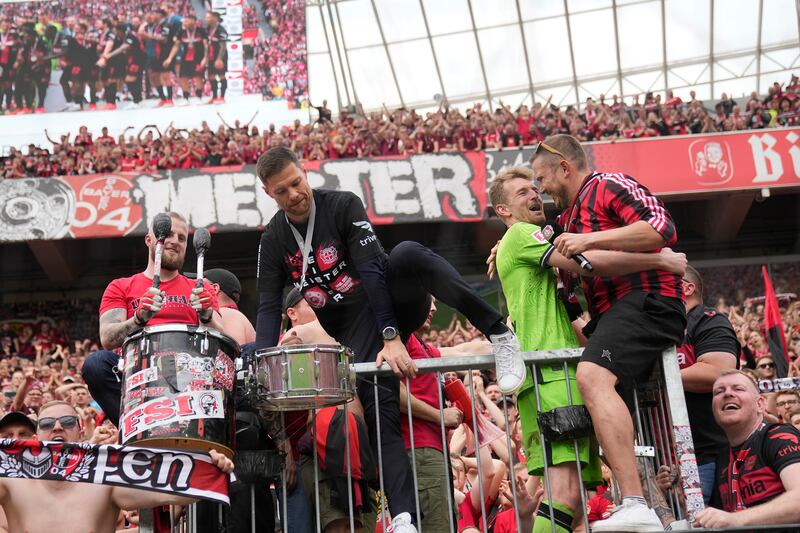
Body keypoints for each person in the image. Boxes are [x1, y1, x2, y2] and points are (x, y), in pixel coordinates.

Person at [254, 146, 524, 532]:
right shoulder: (273, 239)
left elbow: (370, 270)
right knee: (379, 403)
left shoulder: (342, 205)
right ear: (269, 194)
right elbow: (267, 306)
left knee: (407, 253)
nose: (294, 195)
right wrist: (263, 363)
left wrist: (391, 335)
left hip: (391, 302)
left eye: (297, 183)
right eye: (282, 191)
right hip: (352, 331)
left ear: (305, 173)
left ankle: (498, 330)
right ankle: (404, 517)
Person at [489, 165, 688, 533]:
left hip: (549, 374)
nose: (535, 195)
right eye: (521, 193)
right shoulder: (522, 233)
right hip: (552, 376)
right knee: (565, 493)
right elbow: (588, 265)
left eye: (535, 189)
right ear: (503, 211)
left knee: (576, 500)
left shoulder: (524, 238)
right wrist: (658, 259)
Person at [0, 401, 234, 533]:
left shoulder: (106, 476)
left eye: (68, 422)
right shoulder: (12, 481)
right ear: (36, 435)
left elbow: (176, 491)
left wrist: (211, 466)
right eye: (48, 424)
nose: (58, 427)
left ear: (82, 432)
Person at [82, 212, 223, 426]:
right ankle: (134, 426)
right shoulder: (121, 286)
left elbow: (223, 341)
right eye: (168, 234)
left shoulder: (200, 288)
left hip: (189, 375)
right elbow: (108, 338)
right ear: (149, 240)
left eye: (182, 238)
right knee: (96, 364)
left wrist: (207, 315)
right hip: (137, 376)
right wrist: (138, 319)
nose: (175, 241)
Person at [695, 370, 800, 529]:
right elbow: (718, 516)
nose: (727, 394)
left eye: (738, 389)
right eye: (719, 391)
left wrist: (736, 519)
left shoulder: (778, 436)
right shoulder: (723, 457)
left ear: (760, 404)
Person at [676, 265, 740, 504]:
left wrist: (657, 377)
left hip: (706, 456)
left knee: (706, 523)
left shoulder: (707, 320)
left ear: (686, 288)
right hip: (667, 459)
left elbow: (718, 373)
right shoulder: (660, 329)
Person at [204, 268, 255, 346]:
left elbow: (232, 353)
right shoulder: (236, 315)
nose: (194, 288)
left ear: (214, 289)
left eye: (200, 284)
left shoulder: (225, 314)